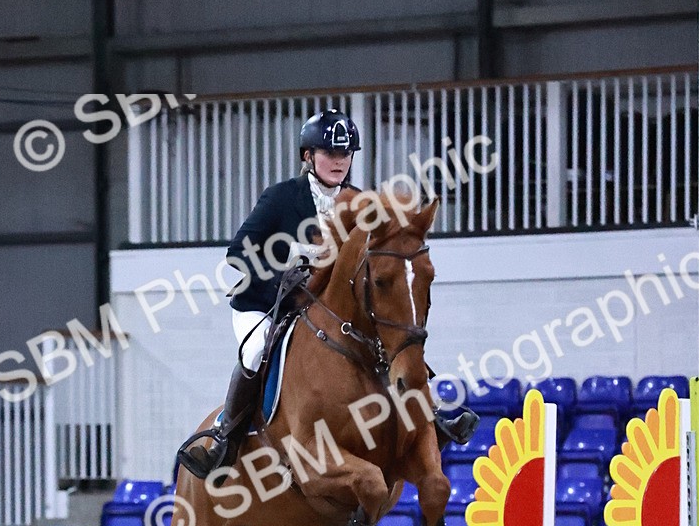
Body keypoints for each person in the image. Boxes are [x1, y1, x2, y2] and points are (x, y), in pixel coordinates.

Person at [175, 108, 477, 481]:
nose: (339, 162)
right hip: (267, 302)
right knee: (255, 353)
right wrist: (287, 261)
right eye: (330, 153)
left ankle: (430, 417)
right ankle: (226, 439)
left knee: (392, 340)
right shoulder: (281, 198)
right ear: (308, 156)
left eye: (345, 154)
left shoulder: (360, 203)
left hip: (324, 307)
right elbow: (238, 252)